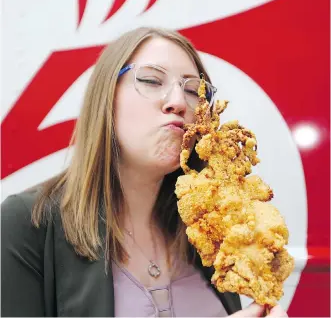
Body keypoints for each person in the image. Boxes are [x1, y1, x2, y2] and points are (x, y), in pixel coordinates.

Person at [1, 27, 288, 317]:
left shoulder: (211, 228)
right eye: (151, 80)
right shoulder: (27, 224)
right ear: (107, 98)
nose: (178, 102)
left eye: (192, 90)